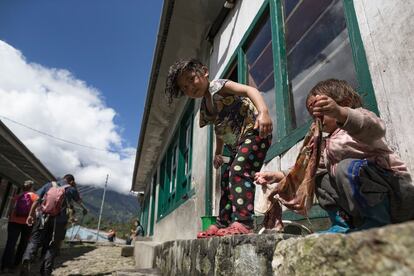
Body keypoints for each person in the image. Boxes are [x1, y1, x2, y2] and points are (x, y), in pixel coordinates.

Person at [255, 79, 414, 233]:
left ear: (344, 103)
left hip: (396, 194)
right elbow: (310, 167)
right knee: (319, 178)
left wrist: (340, 113)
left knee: (346, 167)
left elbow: (376, 128)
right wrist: (278, 176)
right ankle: (341, 223)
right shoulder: (325, 144)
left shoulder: (357, 122)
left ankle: (378, 222)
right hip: (361, 208)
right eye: (313, 116)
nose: (317, 120)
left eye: (321, 112)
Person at [165, 58, 273, 237]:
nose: (190, 88)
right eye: (184, 88)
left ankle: (244, 222)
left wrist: (263, 112)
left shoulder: (219, 86)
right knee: (226, 178)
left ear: (205, 72)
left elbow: (249, 90)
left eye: (191, 79)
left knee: (239, 170)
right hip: (238, 143)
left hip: (256, 131)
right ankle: (223, 222)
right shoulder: (205, 107)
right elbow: (219, 127)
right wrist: (217, 152)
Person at [20, 174, 88, 276]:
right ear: (71, 181)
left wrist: (30, 215)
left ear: (63, 178)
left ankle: (27, 258)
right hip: (59, 221)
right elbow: (79, 202)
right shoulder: (71, 189)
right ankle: (46, 271)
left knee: (34, 240)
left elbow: (37, 200)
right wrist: (84, 208)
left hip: (43, 218)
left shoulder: (49, 185)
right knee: (53, 246)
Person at [1, 180, 38, 273]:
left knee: (10, 244)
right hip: (27, 223)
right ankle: (16, 265)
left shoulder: (17, 196)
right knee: (23, 244)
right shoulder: (35, 197)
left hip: (13, 222)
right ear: (32, 187)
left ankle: (5, 266)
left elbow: (10, 210)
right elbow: (36, 212)